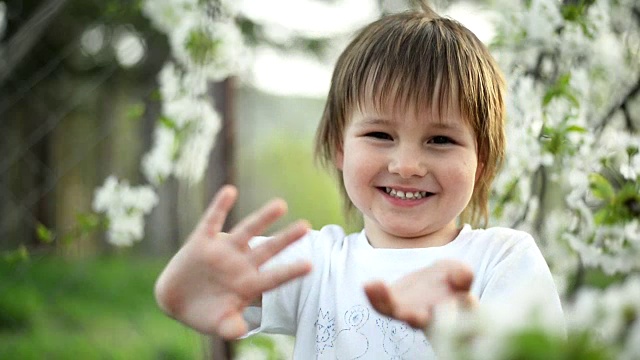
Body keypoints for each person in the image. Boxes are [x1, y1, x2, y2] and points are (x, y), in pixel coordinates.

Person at [154, 2, 564, 358]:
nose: (408, 165)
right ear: (339, 147)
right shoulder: (317, 263)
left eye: (440, 139)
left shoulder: (503, 259)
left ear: (483, 161)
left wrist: (465, 334)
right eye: (380, 135)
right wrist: (184, 284)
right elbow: (201, 292)